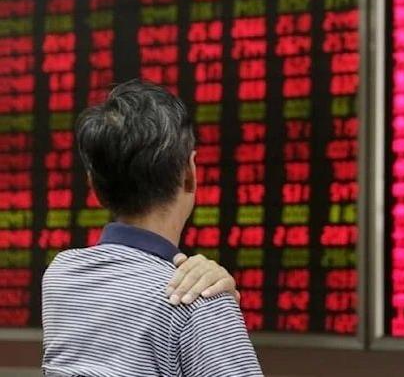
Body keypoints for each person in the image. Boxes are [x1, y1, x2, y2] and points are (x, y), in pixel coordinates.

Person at [42, 80, 263, 377]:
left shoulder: (61, 275)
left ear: (94, 186)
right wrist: (216, 308)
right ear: (190, 174)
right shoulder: (197, 299)